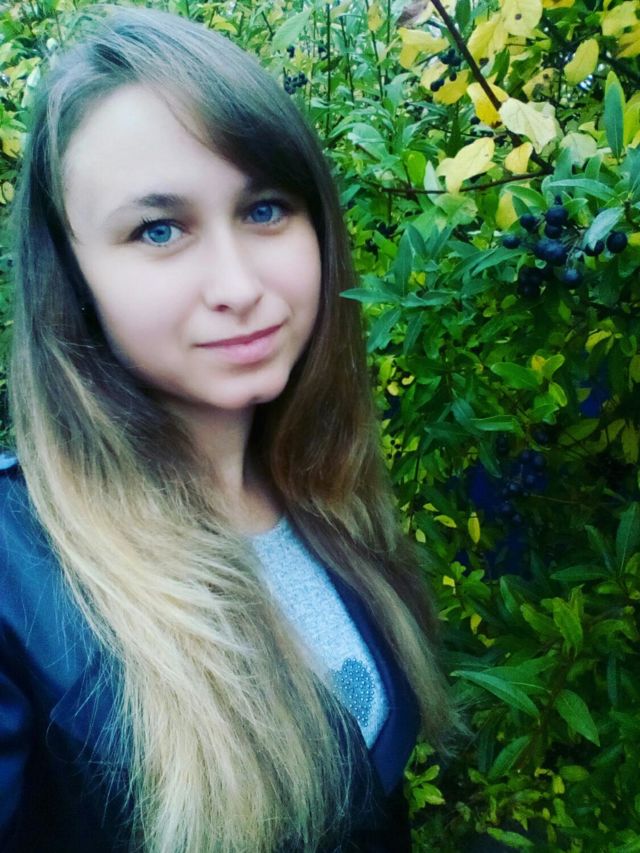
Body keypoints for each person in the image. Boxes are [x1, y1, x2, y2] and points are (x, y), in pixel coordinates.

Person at [0, 6, 453, 851]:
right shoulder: (12, 573)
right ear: (73, 277)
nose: (239, 286)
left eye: (265, 209)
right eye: (159, 229)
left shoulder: (320, 491)